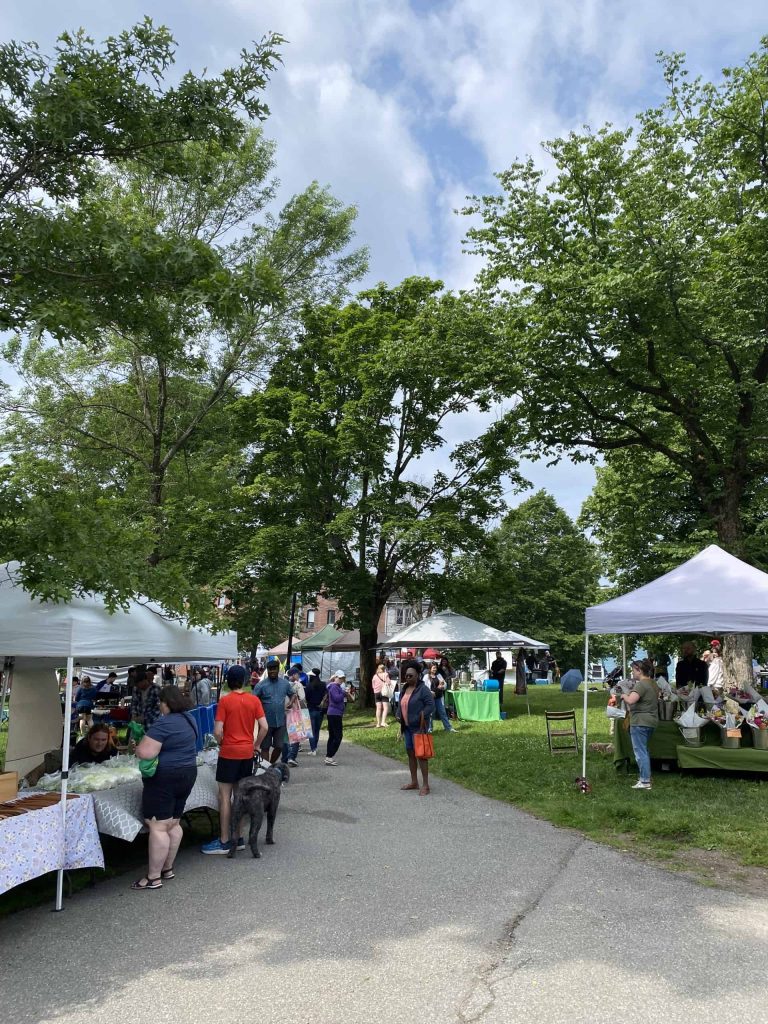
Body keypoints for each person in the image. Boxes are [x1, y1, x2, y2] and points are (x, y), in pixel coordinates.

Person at [132, 685, 199, 889]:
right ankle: (167, 869)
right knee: (173, 823)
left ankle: (153, 877)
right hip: (188, 773)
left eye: (160, 702)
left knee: (158, 826)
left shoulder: (163, 724)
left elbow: (146, 753)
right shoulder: (190, 718)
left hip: (165, 777)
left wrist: (137, 748)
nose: (160, 706)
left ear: (166, 703)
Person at [201, 665, 268, 855]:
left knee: (224, 797)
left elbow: (216, 731)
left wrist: (222, 743)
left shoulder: (225, 701)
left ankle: (224, 840)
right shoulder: (254, 700)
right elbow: (264, 727)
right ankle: (238, 838)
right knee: (240, 796)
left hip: (229, 753)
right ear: (246, 680)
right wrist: (256, 745)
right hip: (246, 753)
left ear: (228, 681)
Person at [397, 663, 436, 796]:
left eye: (410, 675)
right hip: (407, 728)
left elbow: (431, 705)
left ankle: (426, 785)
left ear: (417, 675)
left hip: (418, 728)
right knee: (410, 755)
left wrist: (422, 715)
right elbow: (401, 703)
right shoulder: (405, 688)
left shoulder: (423, 689)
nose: (408, 677)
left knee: (421, 756)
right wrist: (398, 716)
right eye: (406, 675)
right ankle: (414, 782)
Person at [622, 658, 659, 790]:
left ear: (639, 670)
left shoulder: (641, 684)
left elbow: (631, 700)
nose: (632, 673)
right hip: (652, 721)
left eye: (633, 670)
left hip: (640, 722)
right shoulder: (653, 684)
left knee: (640, 752)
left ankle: (644, 781)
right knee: (644, 750)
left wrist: (624, 695)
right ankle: (646, 777)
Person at [253, 659, 298, 765]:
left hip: (281, 721)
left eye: (275, 669)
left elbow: (293, 694)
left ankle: (270, 765)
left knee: (280, 746)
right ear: (267, 670)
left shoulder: (285, 683)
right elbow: (253, 700)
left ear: (278, 670)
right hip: (265, 722)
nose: (272, 672)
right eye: (270, 670)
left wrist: (291, 702)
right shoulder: (261, 685)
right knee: (265, 747)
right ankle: (265, 769)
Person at [282, 668, 307, 767]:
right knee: (296, 736)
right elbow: (302, 697)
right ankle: (292, 757)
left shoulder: (282, 684)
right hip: (295, 713)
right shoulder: (298, 685)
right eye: (297, 674)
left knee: (285, 737)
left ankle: (284, 758)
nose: (298, 676)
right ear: (293, 675)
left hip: (284, 713)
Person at [324, 670, 349, 766]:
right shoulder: (334, 687)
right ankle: (329, 756)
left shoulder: (334, 686)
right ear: (335, 677)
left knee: (332, 736)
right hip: (335, 714)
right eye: (340, 678)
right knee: (338, 736)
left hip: (334, 713)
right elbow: (336, 698)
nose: (341, 680)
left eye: (342, 678)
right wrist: (344, 693)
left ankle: (328, 756)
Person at [130, 665, 162, 731]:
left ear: (144, 681)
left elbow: (159, 707)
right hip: (138, 722)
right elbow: (134, 703)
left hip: (153, 721)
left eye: (138, 684)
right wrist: (133, 716)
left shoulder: (156, 688)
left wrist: (144, 718)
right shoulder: (136, 689)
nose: (138, 686)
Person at [305, 668, 327, 754]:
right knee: (317, 730)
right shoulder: (323, 684)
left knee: (311, 730)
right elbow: (325, 694)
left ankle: (313, 749)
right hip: (320, 710)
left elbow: (306, 698)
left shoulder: (309, 686)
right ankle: (315, 747)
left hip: (311, 709)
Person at [428, 662, 455, 732]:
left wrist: (443, 686)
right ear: (430, 668)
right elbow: (424, 687)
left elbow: (444, 684)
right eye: (433, 668)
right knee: (430, 714)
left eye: (436, 668)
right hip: (430, 698)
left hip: (439, 697)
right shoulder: (426, 676)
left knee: (443, 713)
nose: (435, 669)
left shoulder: (439, 675)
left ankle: (448, 728)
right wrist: (430, 692)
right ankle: (429, 728)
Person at [372, 661, 392, 728]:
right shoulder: (385, 674)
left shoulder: (375, 676)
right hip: (384, 692)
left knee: (378, 708)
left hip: (376, 693)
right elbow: (389, 683)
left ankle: (378, 723)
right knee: (385, 707)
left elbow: (373, 685)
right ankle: (383, 722)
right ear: (384, 669)